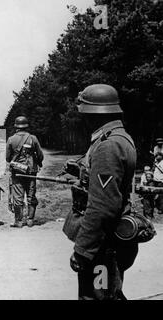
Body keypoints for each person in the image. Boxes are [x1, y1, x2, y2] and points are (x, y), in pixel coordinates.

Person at [68, 84, 138, 300]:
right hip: (107, 243)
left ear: (93, 114)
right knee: (107, 295)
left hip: (103, 246)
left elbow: (102, 207)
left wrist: (83, 249)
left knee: (97, 297)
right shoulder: (118, 137)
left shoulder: (108, 146)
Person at [6, 116, 44, 228]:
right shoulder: (33, 138)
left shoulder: (11, 139)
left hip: (17, 172)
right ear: (26, 126)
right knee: (31, 195)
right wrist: (36, 162)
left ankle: (18, 221)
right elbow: (40, 155)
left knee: (18, 196)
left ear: (16, 127)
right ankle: (30, 220)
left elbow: (7, 158)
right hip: (31, 171)